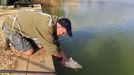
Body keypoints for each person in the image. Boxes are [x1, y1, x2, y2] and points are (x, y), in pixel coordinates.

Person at [2, 10, 72, 66]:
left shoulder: (55, 22)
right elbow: (52, 50)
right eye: (63, 32)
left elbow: (56, 42)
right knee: (29, 52)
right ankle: (10, 40)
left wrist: (66, 59)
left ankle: (24, 39)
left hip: (21, 23)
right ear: (59, 26)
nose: (63, 35)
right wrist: (61, 60)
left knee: (41, 45)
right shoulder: (47, 27)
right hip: (10, 26)